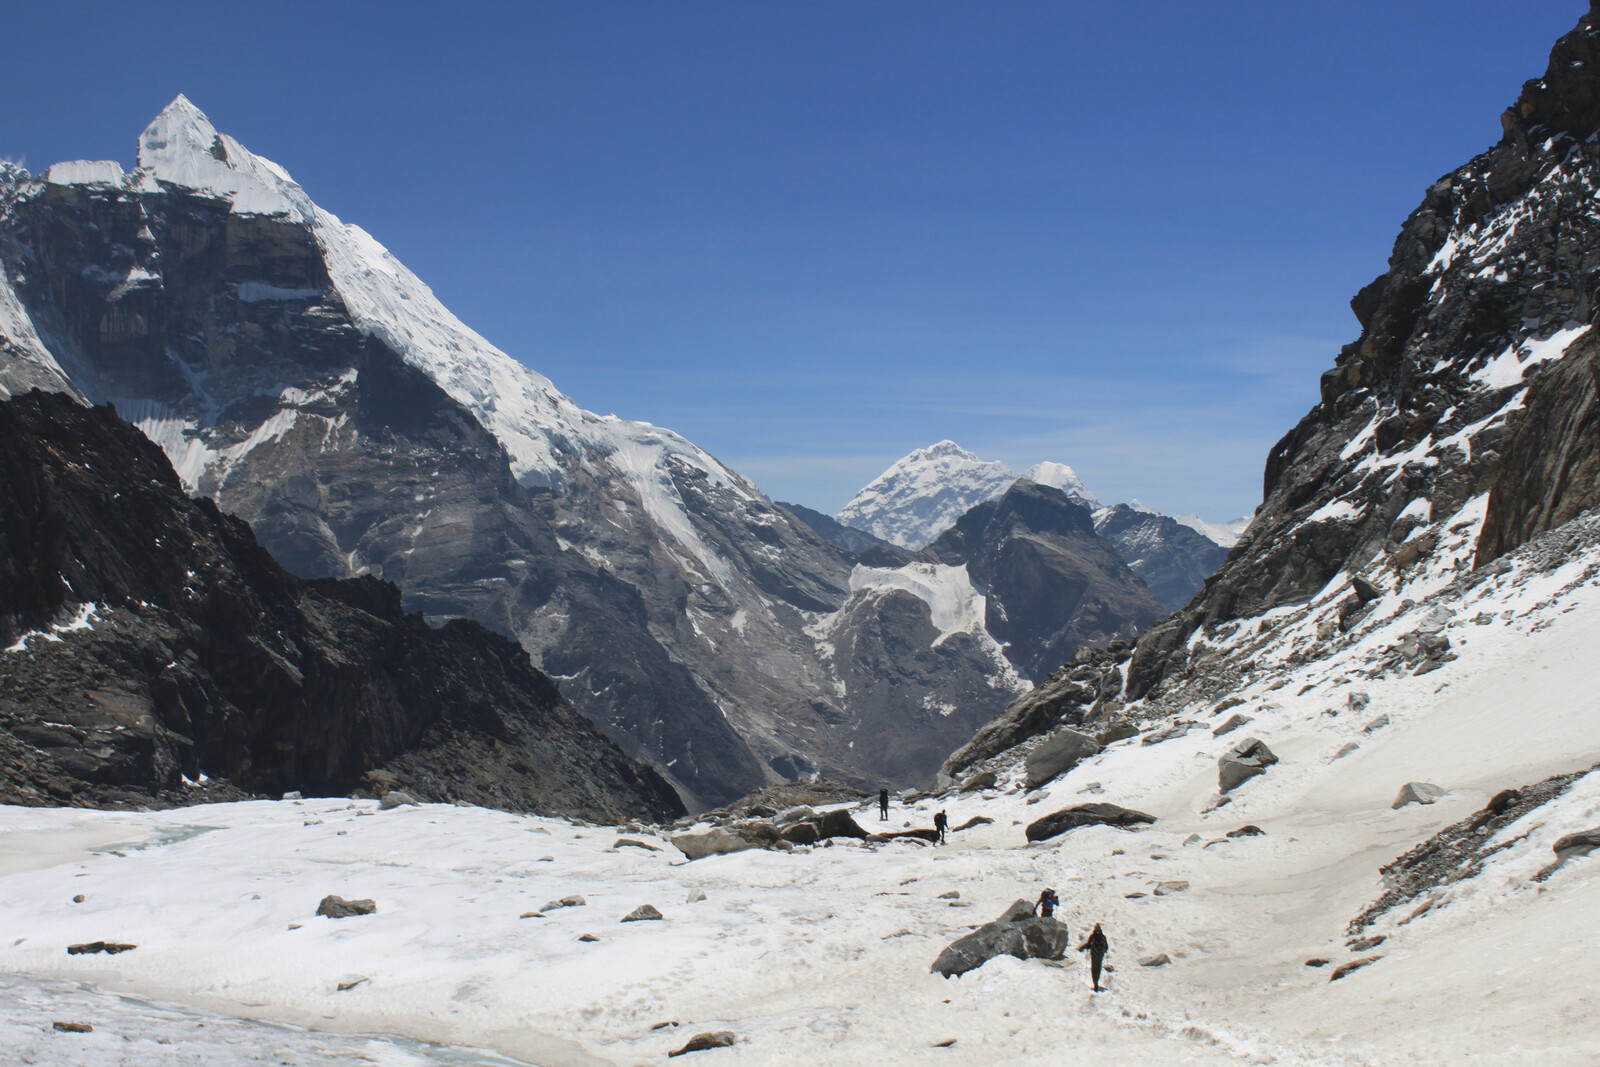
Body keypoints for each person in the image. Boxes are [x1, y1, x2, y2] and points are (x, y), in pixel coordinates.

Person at [1078, 923, 1109, 992]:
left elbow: (1088, 945)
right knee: (1098, 968)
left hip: (1094, 955)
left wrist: (1085, 948)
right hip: (1100, 955)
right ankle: (1096, 981)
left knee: (1094, 968)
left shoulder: (1092, 936)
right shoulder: (1103, 937)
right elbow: (1106, 947)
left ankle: (1095, 982)